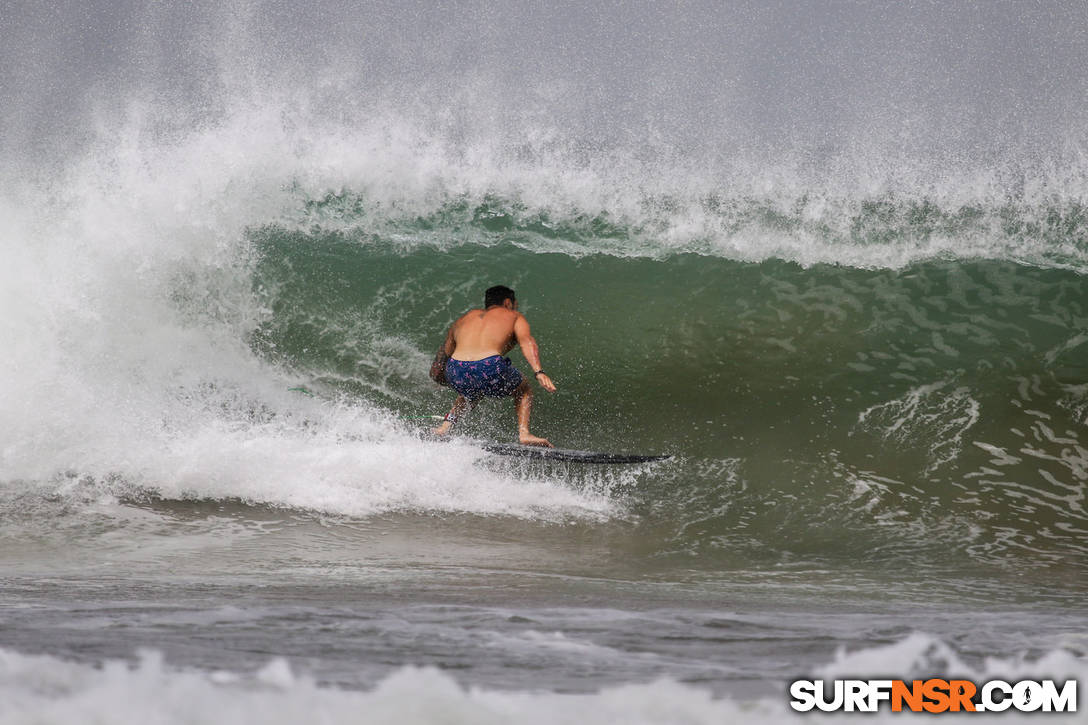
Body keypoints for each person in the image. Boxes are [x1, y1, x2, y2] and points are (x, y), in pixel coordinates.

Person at [431, 285, 557, 446]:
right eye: (515, 304)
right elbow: (527, 343)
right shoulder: (514, 316)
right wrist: (539, 372)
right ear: (507, 303)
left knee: (470, 393)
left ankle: (444, 427)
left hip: (455, 368)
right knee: (523, 389)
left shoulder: (465, 318)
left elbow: (447, 351)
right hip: (488, 365)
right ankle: (524, 434)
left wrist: (445, 377)